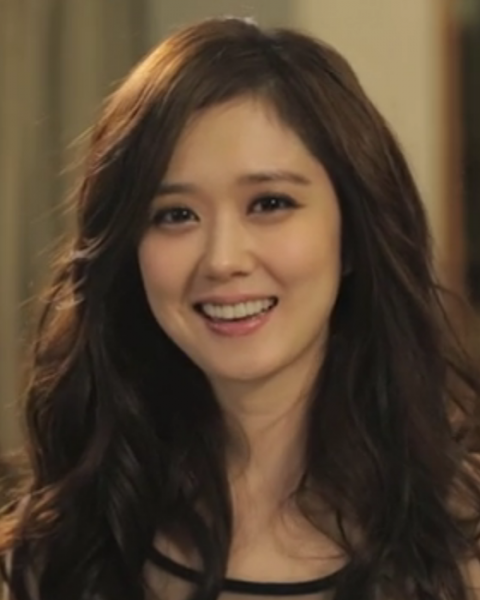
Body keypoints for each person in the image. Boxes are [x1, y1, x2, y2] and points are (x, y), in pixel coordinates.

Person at [1, 15, 480, 600]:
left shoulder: (464, 544)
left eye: (270, 203)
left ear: (353, 234)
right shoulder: (52, 558)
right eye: (175, 215)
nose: (223, 260)